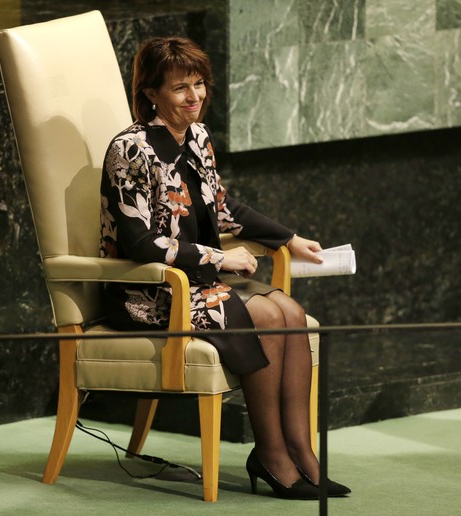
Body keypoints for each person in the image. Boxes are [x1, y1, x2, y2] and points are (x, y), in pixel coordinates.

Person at [100, 36, 350, 500]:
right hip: (149, 293)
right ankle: (272, 456)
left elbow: (222, 207)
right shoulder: (129, 150)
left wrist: (289, 238)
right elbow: (136, 241)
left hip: (199, 281)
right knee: (270, 314)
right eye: (180, 88)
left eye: (199, 85)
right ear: (152, 93)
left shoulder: (197, 136)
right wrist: (219, 257)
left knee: (290, 313)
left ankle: (301, 452)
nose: (194, 97)